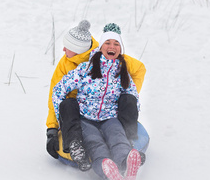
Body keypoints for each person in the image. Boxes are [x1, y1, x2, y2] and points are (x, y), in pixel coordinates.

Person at [46, 21, 146, 171]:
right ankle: (105, 170)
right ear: (101, 46)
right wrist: (55, 126)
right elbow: (57, 91)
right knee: (95, 142)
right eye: (108, 43)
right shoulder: (82, 67)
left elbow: (137, 74)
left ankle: (126, 162)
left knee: (117, 136)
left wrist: (123, 104)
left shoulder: (120, 65)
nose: (63, 49)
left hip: (110, 117)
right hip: (84, 116)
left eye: (116, 44)